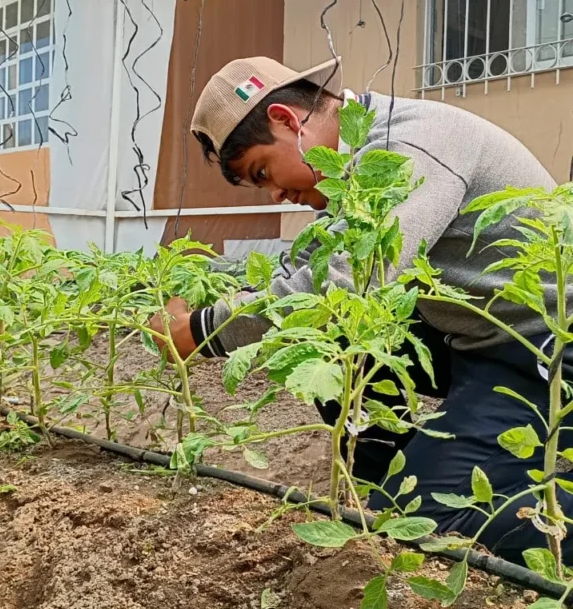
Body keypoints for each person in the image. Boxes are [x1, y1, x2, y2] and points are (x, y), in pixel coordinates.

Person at [151, 55, 573, 564]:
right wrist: (204, 295)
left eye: (263, 172)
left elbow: (342, 288)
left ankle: (465, 487)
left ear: (288, 121)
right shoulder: (359, 159)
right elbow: (304, 263)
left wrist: (199, 332)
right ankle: (409, 473)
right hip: (477, 340)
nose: (278, 193)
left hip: (543, 352)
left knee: (425, 513)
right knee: (334, 353)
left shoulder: (409, 146)